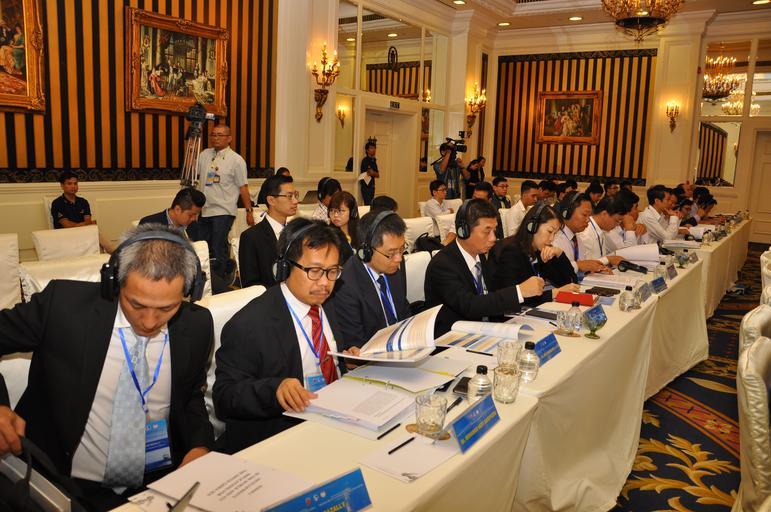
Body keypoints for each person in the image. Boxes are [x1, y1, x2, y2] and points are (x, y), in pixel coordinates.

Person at [0, 225, 214, 509]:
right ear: (114, 281)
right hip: (64, 481)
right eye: (136, 305)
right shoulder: (62, 306)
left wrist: (199, 445)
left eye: (166, 309)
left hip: (158, 483)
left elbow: (191, 396)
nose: (149, 322)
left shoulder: (197, 325)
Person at [214, 219, 358, 453]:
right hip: (284, 437)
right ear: (284, 267)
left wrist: (345, 360)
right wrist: (275, 390)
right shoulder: (249, 324)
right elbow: (224, 396)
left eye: (332, 271)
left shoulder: (327, 303)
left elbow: (323, 356)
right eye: (314, 271)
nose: (325, 283)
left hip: (336, 419)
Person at [423, 199, 545, 338]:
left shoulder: (479, 254)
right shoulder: (442, 265)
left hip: (483, 330)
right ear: (464, 231)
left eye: (495, 230)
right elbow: (470, 306)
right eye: (487, 231)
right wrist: (519, 291)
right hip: (454, 337)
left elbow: (490, 295)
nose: (493, 238)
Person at [328, 211, 410, 349]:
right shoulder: (345, 285)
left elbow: (404, 313)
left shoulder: (394, 267)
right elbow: (356, 344)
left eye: (402, 249)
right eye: (391, 254)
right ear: (366, 251)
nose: (399, 259)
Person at [192, 124, 254, 283]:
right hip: (204, 209)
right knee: (202, 245)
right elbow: (194, 176)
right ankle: (223, 269)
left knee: (217, 245)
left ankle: (219, 281)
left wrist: (249, 211)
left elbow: (243, 187)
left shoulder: (236, 160)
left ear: (229, 138)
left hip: (224, 210)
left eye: (220, 135)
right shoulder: (204, 154)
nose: (216, 138)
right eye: (213, 135)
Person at [492, 203, 580, 306]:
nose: (552, 239)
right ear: (532, 226)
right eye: (549, 231)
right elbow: (513, 296)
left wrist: (560, 254)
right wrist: (554, 293)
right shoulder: (511, 252)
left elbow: (571, 282)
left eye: (555, 234)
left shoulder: (541, 251)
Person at [239, 174, 298, 288]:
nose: (295, 201)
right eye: (289, 196)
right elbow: (251, 285)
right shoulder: (251, 237)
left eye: (296, 195)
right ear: (271, 200)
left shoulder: (296, 233)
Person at [553, 191, 611, 274]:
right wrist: (578, 265)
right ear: (567, 213)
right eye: (584, 215)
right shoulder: (554, 237)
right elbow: (553, 272)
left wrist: (596, 268)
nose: (588, 220)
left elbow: (583, 266)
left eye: (589, 215)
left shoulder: (577, 238)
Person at [576, 196, 626, 266]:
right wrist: (609, 259)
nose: (617, 225)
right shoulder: (585, 232)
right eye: (617, 221)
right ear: (604, 214)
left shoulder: (600, 229)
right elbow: (585, 265)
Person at [139, 187, 206, 236]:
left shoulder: (194, 227)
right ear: (177, 210)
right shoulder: (149, 225)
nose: (194, 219)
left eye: (197, 215)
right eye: (191, 215)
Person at [328, 190, 359, 263]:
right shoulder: (328, 235)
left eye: (341, 211)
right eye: (332, 210)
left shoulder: (361, 233)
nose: (335, 215)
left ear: (352, 213)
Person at [424, 180, 456, 245]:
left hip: (447, 232)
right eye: (442, 190)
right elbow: (440, 217)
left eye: (445, 190)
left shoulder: (446, 202)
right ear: (434, 192)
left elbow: (452, 217)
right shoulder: (430, 204)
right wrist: (449, 211)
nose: (445, 192)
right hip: (436, 236)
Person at [359, 141, 379, 206]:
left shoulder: (373, 161)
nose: (374, 150)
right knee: (367, 205)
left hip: (372, 186)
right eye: (371, 148)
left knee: (371, 205)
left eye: (374, 148)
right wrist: (372, 172)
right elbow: (369, 172)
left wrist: (373, 173)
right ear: (367, 150)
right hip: (366, 187)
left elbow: (377, 175)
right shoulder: (365, 160)